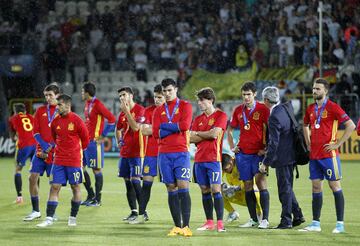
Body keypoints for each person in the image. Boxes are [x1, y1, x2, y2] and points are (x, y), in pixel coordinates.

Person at [300, 78, 355, 233]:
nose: (314, 91)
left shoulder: (333, 107)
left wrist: (338, 144)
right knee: (316, 187)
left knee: (334, 186)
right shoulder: (310, 108)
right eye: (313, 88)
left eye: (318, 89)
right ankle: (315, 224)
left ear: (325, 91)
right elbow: (305, 125)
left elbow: (350, 125)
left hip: (329, 156)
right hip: (314, 156)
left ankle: (340, 225)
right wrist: (308, 142)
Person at [36, 94, 89, 227]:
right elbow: (54, 138)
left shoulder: (77, 120)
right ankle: (48, 218)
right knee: (54, 187)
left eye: (59, 105)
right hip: (58, 160)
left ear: (67, 105)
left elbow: (86, 141)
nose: (57, 107)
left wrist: (77, 153)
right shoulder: (55, 121)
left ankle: (72, 216)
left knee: (75, 187)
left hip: (74, 161)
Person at [259, 86, 305, 229]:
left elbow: (274, 143)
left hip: (282, 158)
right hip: (291, 155)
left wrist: (265, 162)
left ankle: (286, 220)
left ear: (266, 100)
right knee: (288, 188)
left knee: (284, 190)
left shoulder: (274, 116)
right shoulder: (286, 108)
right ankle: (297, 215)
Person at [152, 78, 193, 237]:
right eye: (164, 91)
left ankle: (186, 226)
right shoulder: (158, 111)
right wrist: (175, 128)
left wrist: (165, 126)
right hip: (164, 154)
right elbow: (156, 133)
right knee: (171, 187)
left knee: (183, 186)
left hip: (181, 153)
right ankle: (177, 226)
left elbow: (185, 126)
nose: (167, 94)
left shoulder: (185, 106)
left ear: (175, 89)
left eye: (170, 90)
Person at [227, 81, 270, 229]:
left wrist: (267, 149)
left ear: (255, 94)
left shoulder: (263, 109)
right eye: (244, 95)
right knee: (247, 185)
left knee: (261, 183)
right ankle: (253, 219)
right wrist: (232, 146)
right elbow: (230, 129)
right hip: (243, 155)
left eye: (248, 94)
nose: (246, 97)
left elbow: (271, 130)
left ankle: (265, 219)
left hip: (258, 154)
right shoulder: (238, 110)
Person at [189, 87, 228, 232]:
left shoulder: (221, 116)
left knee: (216, 190)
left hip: (213, 159)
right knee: (204, 190)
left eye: (202, 100)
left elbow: (214, 134)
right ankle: (209, 222)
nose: (199, 103)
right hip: (199, 160)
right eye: (198, 100)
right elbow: (190, 138)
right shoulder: (197, 119)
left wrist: (198, 133)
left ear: (211, 100)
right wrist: (204, 134)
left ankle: (220, 223)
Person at [130, 84, 165, 224]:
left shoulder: (172, 111)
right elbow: (144, 130)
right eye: (155, 97)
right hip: (150, 154)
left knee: (172, 185)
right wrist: (167, 129)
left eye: (160, 97)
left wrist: (154, 128)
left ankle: (179, 217)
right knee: (146, 185)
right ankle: (141, 215)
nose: (157, 100)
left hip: (166, 153)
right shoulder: (147, 111)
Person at [23, 84, 60, 222]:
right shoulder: (40, 111)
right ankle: (35, 211)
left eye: (50, 95)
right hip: (40, 152)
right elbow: (35, 132)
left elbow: (64, 132)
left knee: (54, 183)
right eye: (46, 95)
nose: (48, 98)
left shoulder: (61, 110)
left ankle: (52, 212)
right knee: (32, 178)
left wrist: (52, 146)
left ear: (57, 95)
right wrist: (44, 146)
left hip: (55, 153)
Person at [81, 82, 116, 206]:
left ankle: (98, 199)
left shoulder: (98, 105)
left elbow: (112, 119)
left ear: (86, 92)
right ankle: (90, 195)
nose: (81, 93)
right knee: (81, 168)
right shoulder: (87, 104)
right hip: (85, 142)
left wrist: (103, 135)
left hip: (94, 143)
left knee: (96, 170)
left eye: (82, 91)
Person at [116, 87, 145, 222]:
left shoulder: (139, 110)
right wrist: (119, 141)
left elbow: (136, 127)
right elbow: (118, 129)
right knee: (127, 182)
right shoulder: (121, 114)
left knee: (135, 181)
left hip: (137, 152)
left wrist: (126, 111)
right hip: (125, 152)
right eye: (120, 95)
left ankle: (143, 212)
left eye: (124, 95)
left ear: (131, 95)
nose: (122, 97)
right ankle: (133, 211)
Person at [221, 153, 262, 223]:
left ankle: (259, 214)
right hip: (237, 193)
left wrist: (236, 188)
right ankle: (232, 213)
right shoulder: (225, 165)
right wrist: (224, 186)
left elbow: (249, 181)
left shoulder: (240, 164)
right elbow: (218, 180)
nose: (225, 171)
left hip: (247, 193)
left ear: (231, 162)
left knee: (254, 191)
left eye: (225, 169)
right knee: (216, 193)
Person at [8, 103, 36, 204]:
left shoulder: (13, 118)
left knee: (18, 170)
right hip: (35, 145)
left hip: (24, 145)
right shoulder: (32, 117)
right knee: (34, 170)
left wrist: (15, 137)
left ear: (15, 111)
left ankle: (19, 197)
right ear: (25, 111)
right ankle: (36, 194)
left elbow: (12, 135)